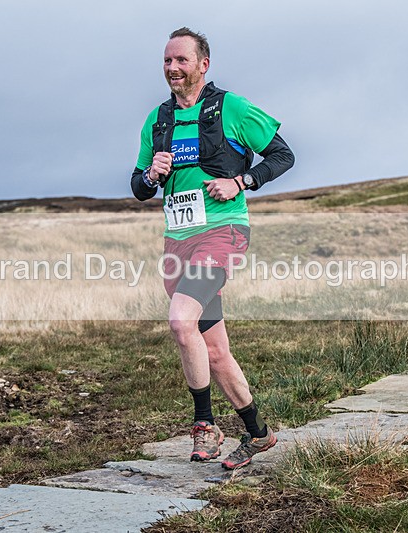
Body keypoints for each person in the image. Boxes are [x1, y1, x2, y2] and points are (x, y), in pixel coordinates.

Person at [130, 27, 295, 470]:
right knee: (215, 350)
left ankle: (204, 424)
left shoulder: (232, 108)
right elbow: (138, 187)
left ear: (203, 65)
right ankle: (258, 434)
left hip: (222, 233)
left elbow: (283, 155)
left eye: (181, 60)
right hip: (177, 240)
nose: (172, 68)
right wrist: (151, 175)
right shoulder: (157, 121)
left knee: (180, 321)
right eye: (167, 60)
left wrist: (241, 181)